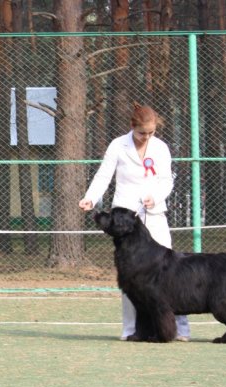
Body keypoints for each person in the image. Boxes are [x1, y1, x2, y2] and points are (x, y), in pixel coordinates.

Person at [79, 102, 191, 341]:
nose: (147, 137)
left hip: (155, 216)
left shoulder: (160, 148)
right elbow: (103, 176)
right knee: (130, 276)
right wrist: (90, 197)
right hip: (126, 222)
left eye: (151, 133)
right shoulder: (117, 146)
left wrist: (156, 197)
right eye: (142, 133)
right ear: (132, 127)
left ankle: (180, 329)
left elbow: (166, 180)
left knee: (172, 272)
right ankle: (131, 329)